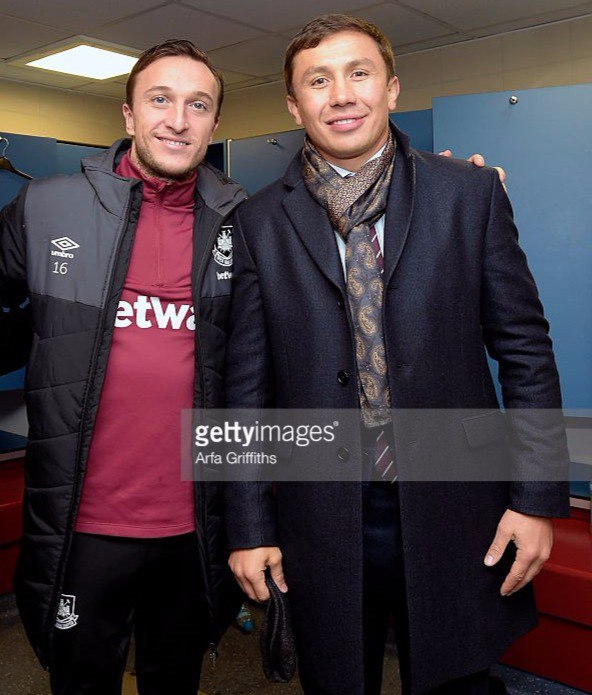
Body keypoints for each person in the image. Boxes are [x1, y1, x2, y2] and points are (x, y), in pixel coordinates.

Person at [224, 14, 569, 695]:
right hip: (320, 515)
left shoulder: (469, 194)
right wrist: (248, 524)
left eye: (359, 73)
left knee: (457, 682)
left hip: (459, 505)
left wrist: (535, 499)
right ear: (294, 105)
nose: (341, 95)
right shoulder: (258, 222)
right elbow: (245, 390)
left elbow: (526, 350)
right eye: (318, 81)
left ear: (391, 88)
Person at [0, 39, 245, 695]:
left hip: (194, 525)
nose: (178, 120)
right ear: (129, 114)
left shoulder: (244, 221)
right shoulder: (47, 206)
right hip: (83, 525)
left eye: (198, 105)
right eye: (160, 100)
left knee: (175, 680)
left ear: (215, 123)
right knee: (82, 681)